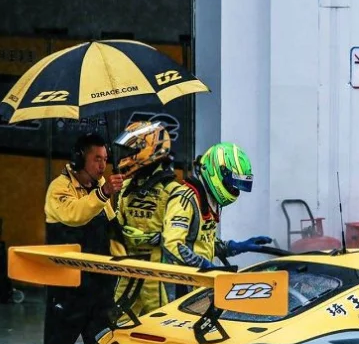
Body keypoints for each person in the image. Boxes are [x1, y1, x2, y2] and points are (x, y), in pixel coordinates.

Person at [43, 133, 124, 344]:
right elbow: (74, 215)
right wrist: (103, 194)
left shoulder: (101, 189)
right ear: (79, 158)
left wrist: (126, 263)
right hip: (66, 284)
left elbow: (114, 229)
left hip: (99, 284)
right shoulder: (59, 188)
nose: (102, 165)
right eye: (96, 158)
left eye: (105, 159)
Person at [160, 142, 272, 300]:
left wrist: (236, 246)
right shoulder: (185, 199)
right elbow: (172, 245)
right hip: (178, 289)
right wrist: (204, 266)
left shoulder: (207, 200)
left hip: (198, 288)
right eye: (232, 185)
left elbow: (204, 243)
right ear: (215, 172)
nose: (234, 190)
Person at [111, 120, 186, 316]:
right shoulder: (126, 188)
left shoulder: (174, 191)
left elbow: (181, 238)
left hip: (159, 276)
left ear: (150, 150)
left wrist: (157, 238)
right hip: (128, 271)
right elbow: (116, 226)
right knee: (116, 323)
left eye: (130, 151)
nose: (125, 156)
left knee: (162, 324)